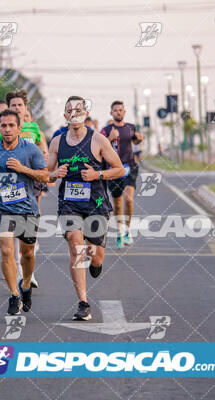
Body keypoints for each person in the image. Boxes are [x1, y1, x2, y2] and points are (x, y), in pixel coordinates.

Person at [48, 96, 124, 320]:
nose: (74, 114)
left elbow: (119, 169)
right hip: (69, 203)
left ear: (85, 114)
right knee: (75, 245)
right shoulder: (57, 142)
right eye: (69, 110)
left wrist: (96, 174)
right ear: (64, 116)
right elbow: (46, 174)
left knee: (95, 254)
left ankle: (97, 260)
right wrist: (55, 174)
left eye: (78, 110)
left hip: (96, 203)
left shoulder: (98, 140)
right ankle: (83, 302)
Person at [0, 109, 48, 315]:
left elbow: (45, 176)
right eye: (3, 125)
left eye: (11, 125)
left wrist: (23, 169)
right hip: (3, 207)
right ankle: (14, 295)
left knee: (27, 254)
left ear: (20, 128)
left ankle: (25, 285)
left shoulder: (30, 150)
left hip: (27, 208)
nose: (7, 129)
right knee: (7, 252)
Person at [100, 101, 144, 248]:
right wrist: (110, 138)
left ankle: (127, 229)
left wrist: (139, 138)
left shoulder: (130, 127)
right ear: (111, 113)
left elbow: (136, 139)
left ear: (124, 112)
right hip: (113, 169)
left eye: (120, 110)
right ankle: (120, 231)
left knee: (129, 198)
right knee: (117, 203)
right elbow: (98, 147)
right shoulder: (106, 130)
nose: (118, 112)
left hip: (129, 167)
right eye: (115, 110)